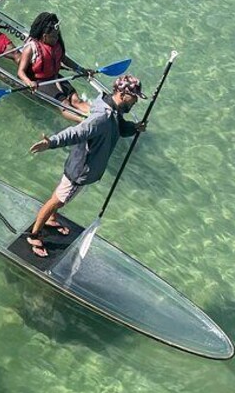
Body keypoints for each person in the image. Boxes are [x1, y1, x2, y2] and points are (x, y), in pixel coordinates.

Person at [26, 75, 147, 257]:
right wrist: (50, 143)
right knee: (57, 200)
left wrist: (134, 128)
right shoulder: (102, 118)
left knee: (60, 195)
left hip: (80, 167)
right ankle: (34, 235)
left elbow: (120, 128)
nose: (136, 101)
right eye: (134, 97)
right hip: (80, 171)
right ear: (122, 94)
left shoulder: (113, 108)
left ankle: (51, 219)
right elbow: (76, 133)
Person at [17, 12, 91, 122]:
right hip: (40, 82)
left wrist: (80, 69)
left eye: (57, 35)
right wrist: (29, 82)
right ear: (45, 36)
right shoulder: (31, 48)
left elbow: (64, 59)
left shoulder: (56, 44)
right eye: (54, 36)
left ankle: (97, 113)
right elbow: (20, 72)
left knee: (76, 100)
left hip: (55, 77)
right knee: (65, 104)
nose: (57, 38)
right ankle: (85, 122)